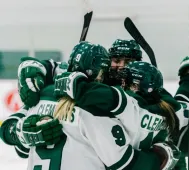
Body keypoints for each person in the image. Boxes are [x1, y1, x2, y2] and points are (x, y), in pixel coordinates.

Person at [0, 41, 178, 170]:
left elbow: (15, 140)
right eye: (114, 62)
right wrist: (162, 157)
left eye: (129, 62)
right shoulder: (97, 109)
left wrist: (19, 133)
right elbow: (124, 163)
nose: (121, 68)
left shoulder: (45, 93)